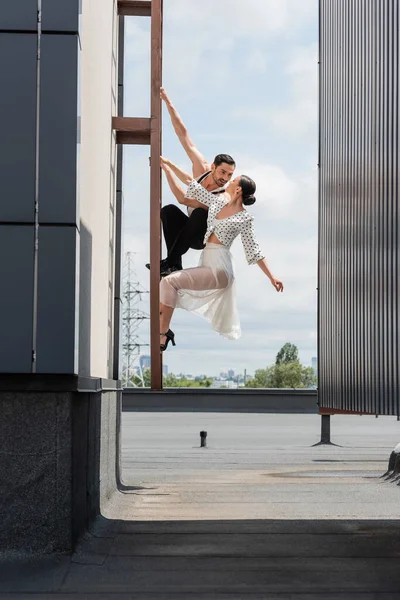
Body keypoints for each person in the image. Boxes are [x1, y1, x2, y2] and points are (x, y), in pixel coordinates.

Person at [158, 158, 284, 351]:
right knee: (167, 283)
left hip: (220, 269)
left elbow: (255, 251)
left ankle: (161, 333)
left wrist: (272, 277)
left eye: (233, 180)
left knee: (169, 282)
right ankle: (164, 331)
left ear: (238, 189)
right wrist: (167, 166)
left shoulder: (245, 218)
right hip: (206, 263)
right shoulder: (216, 203)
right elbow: (191, 182)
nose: (228, 181)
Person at [146, 88, 236, 277]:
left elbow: (183, 198)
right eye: (222, 172)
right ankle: (174, 264)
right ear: (212, 167)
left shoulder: (222, 195)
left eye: (229, 175)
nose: (225, 178)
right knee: (168, 211)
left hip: (200, 237)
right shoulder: (201, 170)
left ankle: (170, 261)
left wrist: (167, 168)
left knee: (200, 215)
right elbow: (183, 135)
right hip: (186, 228)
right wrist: (168, 102)